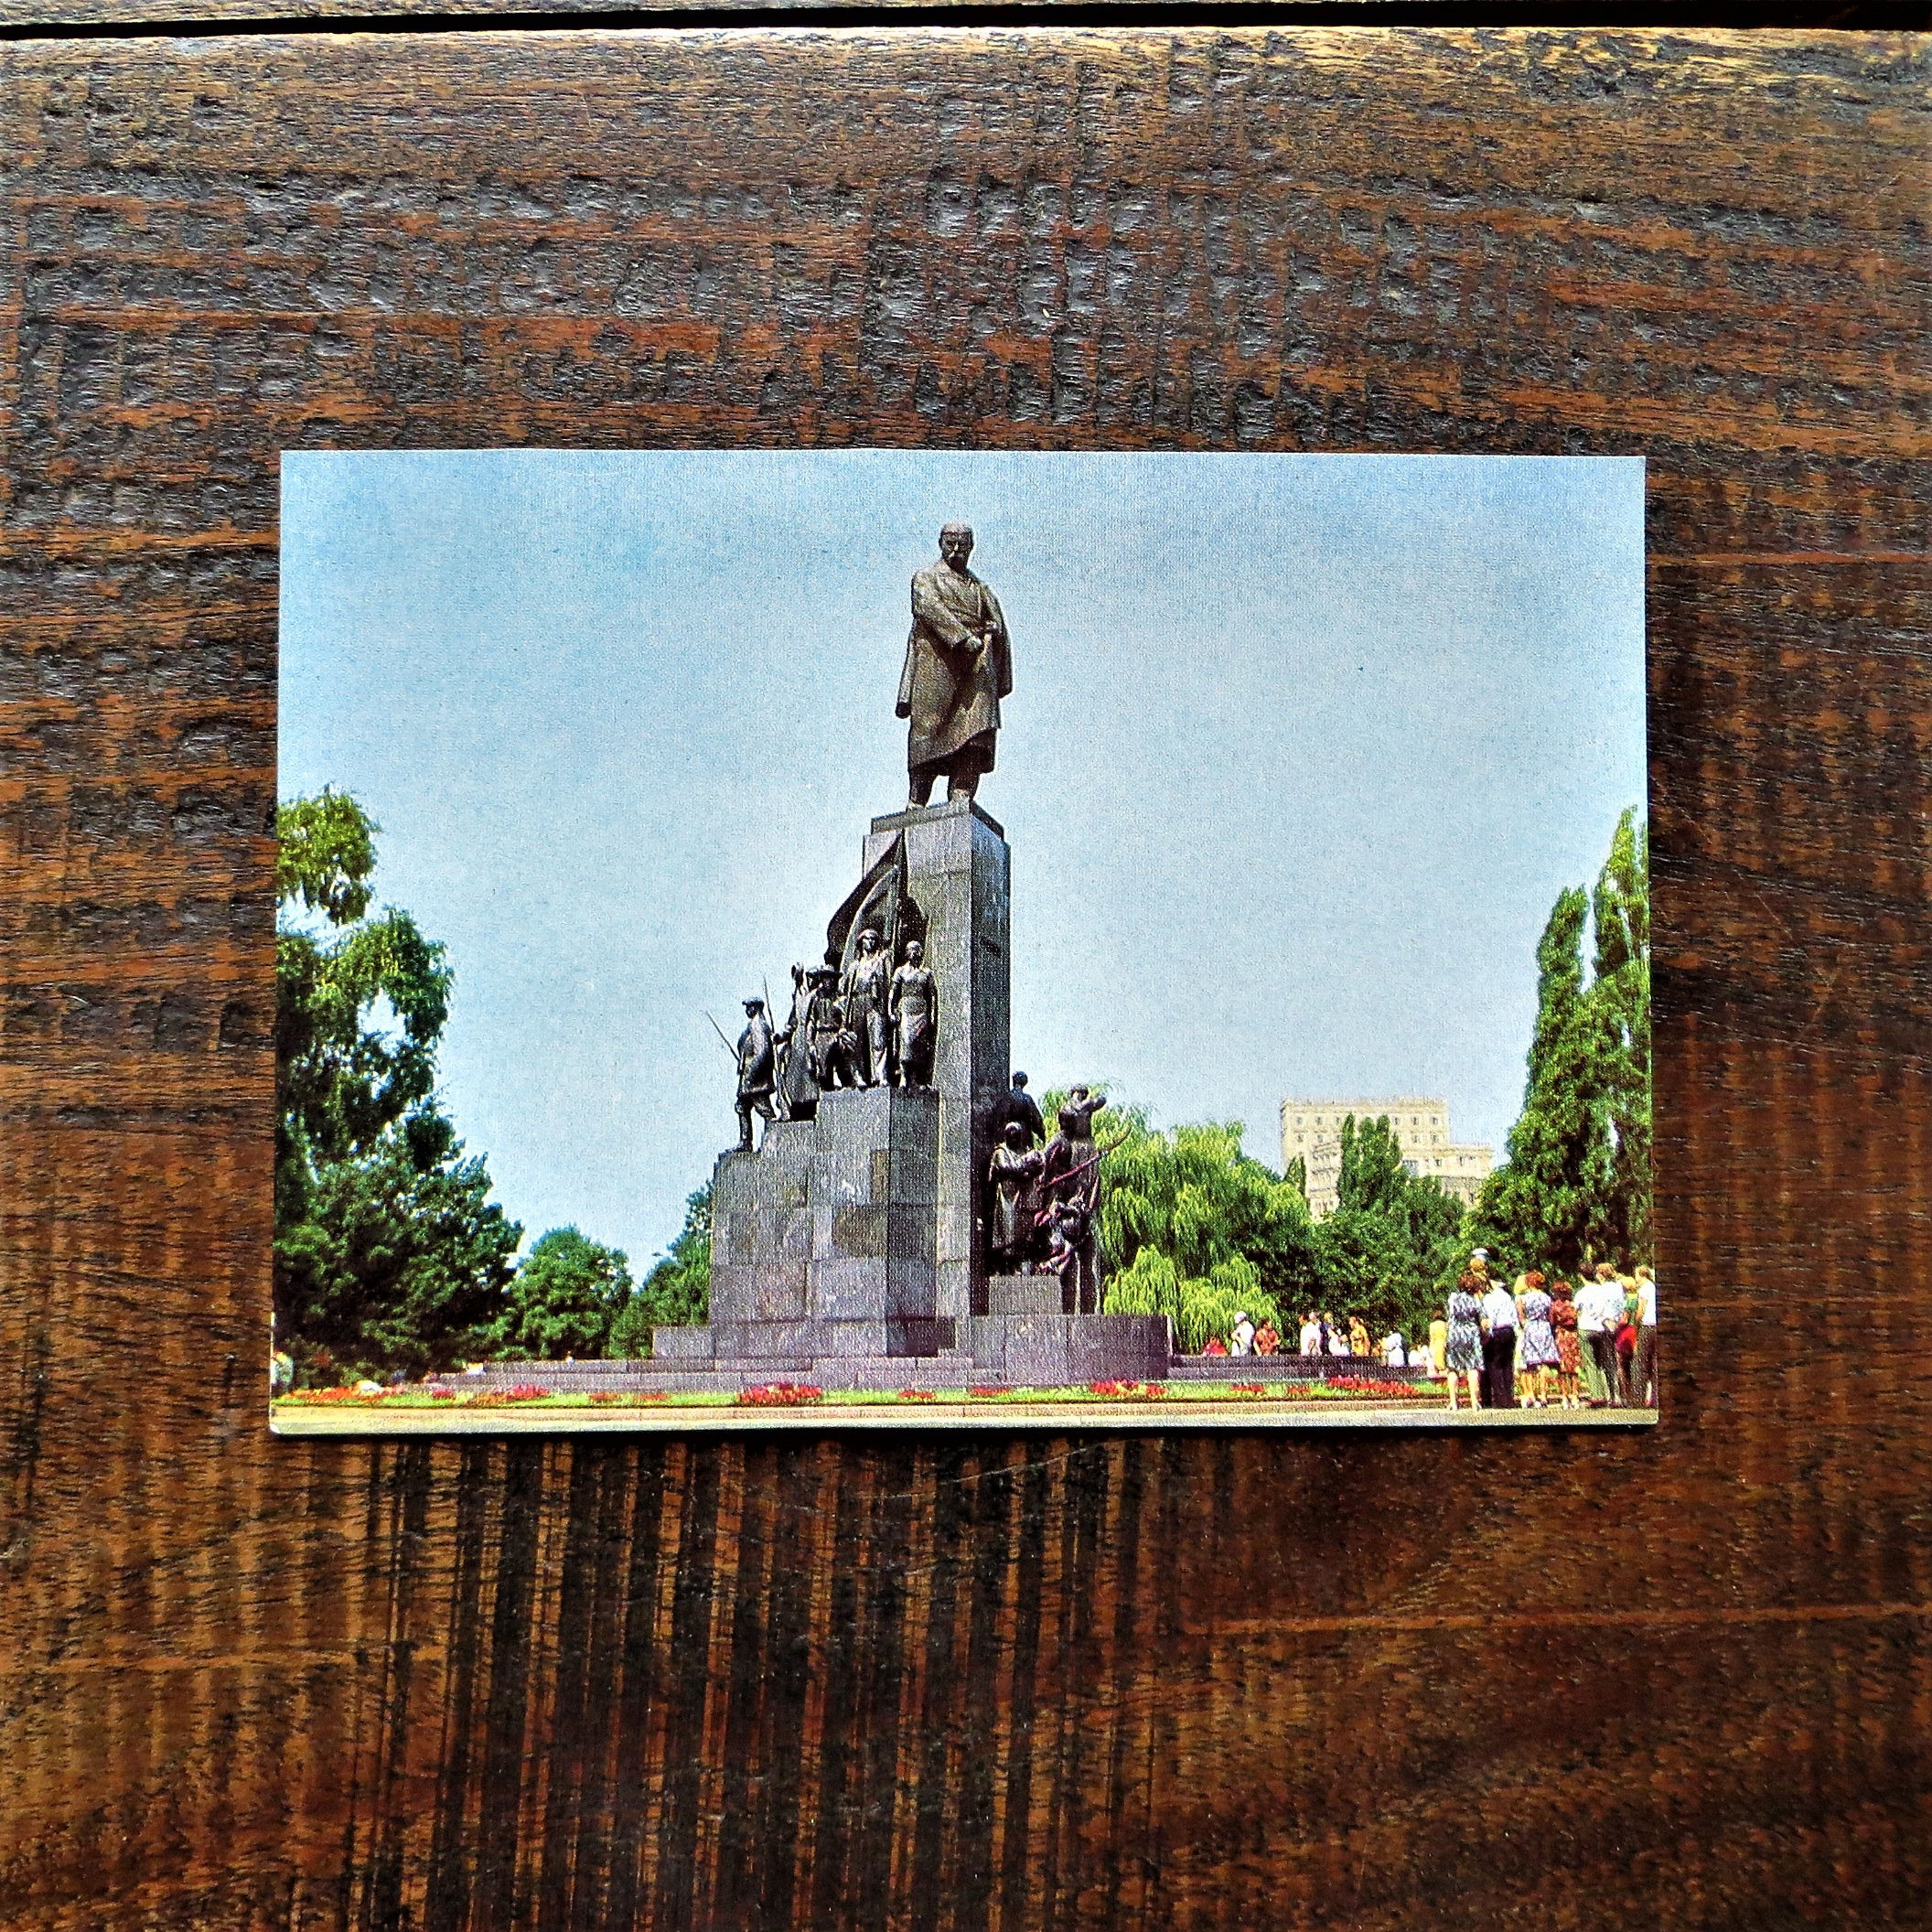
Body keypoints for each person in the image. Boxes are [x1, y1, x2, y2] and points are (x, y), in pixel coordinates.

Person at [896, 522, 1012, 807]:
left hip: (977, 672)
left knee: (976, 733)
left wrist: (992, 633)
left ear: (971, 547)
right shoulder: (926, 578)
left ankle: (961, 792)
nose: (957, 551)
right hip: (937, 665)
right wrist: (962, 638)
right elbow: (927, 607)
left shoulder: (982, 589)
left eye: (963, 545)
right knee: (928, 730)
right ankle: (917, 798)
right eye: (951, 544)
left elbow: (999, 625)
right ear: (941, 544)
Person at [987, 1122, 1046, 1274]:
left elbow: (1038, 1168)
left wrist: (1030, 1168)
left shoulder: (1023, 1150)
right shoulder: (1001, 1152)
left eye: (1017, 1138)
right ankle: (1007, 1267)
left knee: (1024, 1232)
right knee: (1008, 1231)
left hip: (1024, 1196)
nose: (1015, 1140)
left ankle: (1021, 1264)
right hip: (1007, 1197)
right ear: (1007, 1137)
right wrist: (1026, 1166)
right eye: (1012, 1138)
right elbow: (1007, 1168)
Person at [841, 927, 892, 1087]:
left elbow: (888, 984)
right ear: (860, 942)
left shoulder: (881, 960)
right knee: (857, 1043)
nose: (870, 942)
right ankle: (859, 1076)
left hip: (875, 1003)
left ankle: (880, 1075)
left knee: (878, 1041)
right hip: (858, 1002)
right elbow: (846, 991)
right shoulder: (854, 966)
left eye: (873, 939)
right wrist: (845, 1017)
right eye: (867, 939)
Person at [889, 940, 937, 1089]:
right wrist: (890, 1010)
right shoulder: (900, 972)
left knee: (920, 1045)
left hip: (921, 1009)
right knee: (906, 1042)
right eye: (911, 950)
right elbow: (893, 992)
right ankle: (904, 1076)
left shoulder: (926, 973)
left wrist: (933, 1015)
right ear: (906, 953)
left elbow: (932, 995)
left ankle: (918, 1078)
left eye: (917, 950)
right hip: (906, 1009)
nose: (914, 953)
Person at [734, 996, 778, 1151]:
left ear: (757, 1008)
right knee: (742, 1106)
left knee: (764, 1109)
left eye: (750, 1007)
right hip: (748, 1076)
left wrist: (751, 1074)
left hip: (755, 1079)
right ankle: (745, 1141)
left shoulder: (758, 1025)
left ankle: (773, 1141)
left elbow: (762, 1053)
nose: (747, 1010)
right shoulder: (752, 1024)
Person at [1577, 1262, 1623, 1408]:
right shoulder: (1602, 1290)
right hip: (1601, 1327)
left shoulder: (1581, 1293)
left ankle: (1597, 1396)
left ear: (1581, 1276)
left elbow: (1577, 1310)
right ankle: (1613, 1394)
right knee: (1607, 1362)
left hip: (1585, 1327)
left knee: (1591, 1363)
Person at [1516, 1270, 1558, 1409]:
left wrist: (1526, 1325)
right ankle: (1544, 1395)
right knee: (1545, 1362)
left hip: (1531, 1327)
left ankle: (1532, 1395)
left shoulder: (1524, 1298)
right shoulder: (1547, 1298)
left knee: (1530, 1363)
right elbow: (1551, 1317)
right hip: (1544, 1327)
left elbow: (1521, 1316)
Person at [1444, 1272, 1483, 1411]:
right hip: (1471, 1334)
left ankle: (1454, 1402)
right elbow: (1483, 1319)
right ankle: (1474, 1401)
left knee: (1453, 1368)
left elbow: (1449, 1318)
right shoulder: (1476, 1300)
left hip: (1454, 1334)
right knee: (1472, 1367)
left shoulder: (1452, 1298)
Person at [1479, 1271, 1519, 1410]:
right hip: (1509, 1330)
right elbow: (1514, 1316)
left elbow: (1490, 1318)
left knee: (1495, 1365)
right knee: (1507, 1365)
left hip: (1497, 1331)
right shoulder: (1507, 1296)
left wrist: (1487, 1336)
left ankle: (1500, 1399)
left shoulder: (1489, 1298)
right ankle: (1509, 1398)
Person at [988, 1070, 1046, 1150]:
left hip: (1008, 1136)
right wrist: (1042, 1135)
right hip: (1024, 1138)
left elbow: (998, 1119)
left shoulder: (1006, 1098)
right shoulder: (1027, 1099)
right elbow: (1037, 1120)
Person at [1549, 1279, 1582, 1409]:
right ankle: (1575, 1396)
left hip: (1561, 1335)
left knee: (1562, 1368)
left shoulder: (1555, 1306)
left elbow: (1552, 1321)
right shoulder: (1573, 1305)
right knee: (1574, 1367)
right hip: (1573, 1335)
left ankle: (1564, 1396)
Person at [1634, 1264, 1659, 1407]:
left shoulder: (1644, 1289)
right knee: (1655, 1363)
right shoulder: (1654, 1287)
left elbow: (1640, 1310)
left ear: (1642, 1275)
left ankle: (1638, 1398)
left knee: (1641, 1362)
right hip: (1656, 1325)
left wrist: (1636, 1326)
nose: (1635, 1278)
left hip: (1646, 1325)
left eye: (1636, 1275)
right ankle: (1656, 1399)